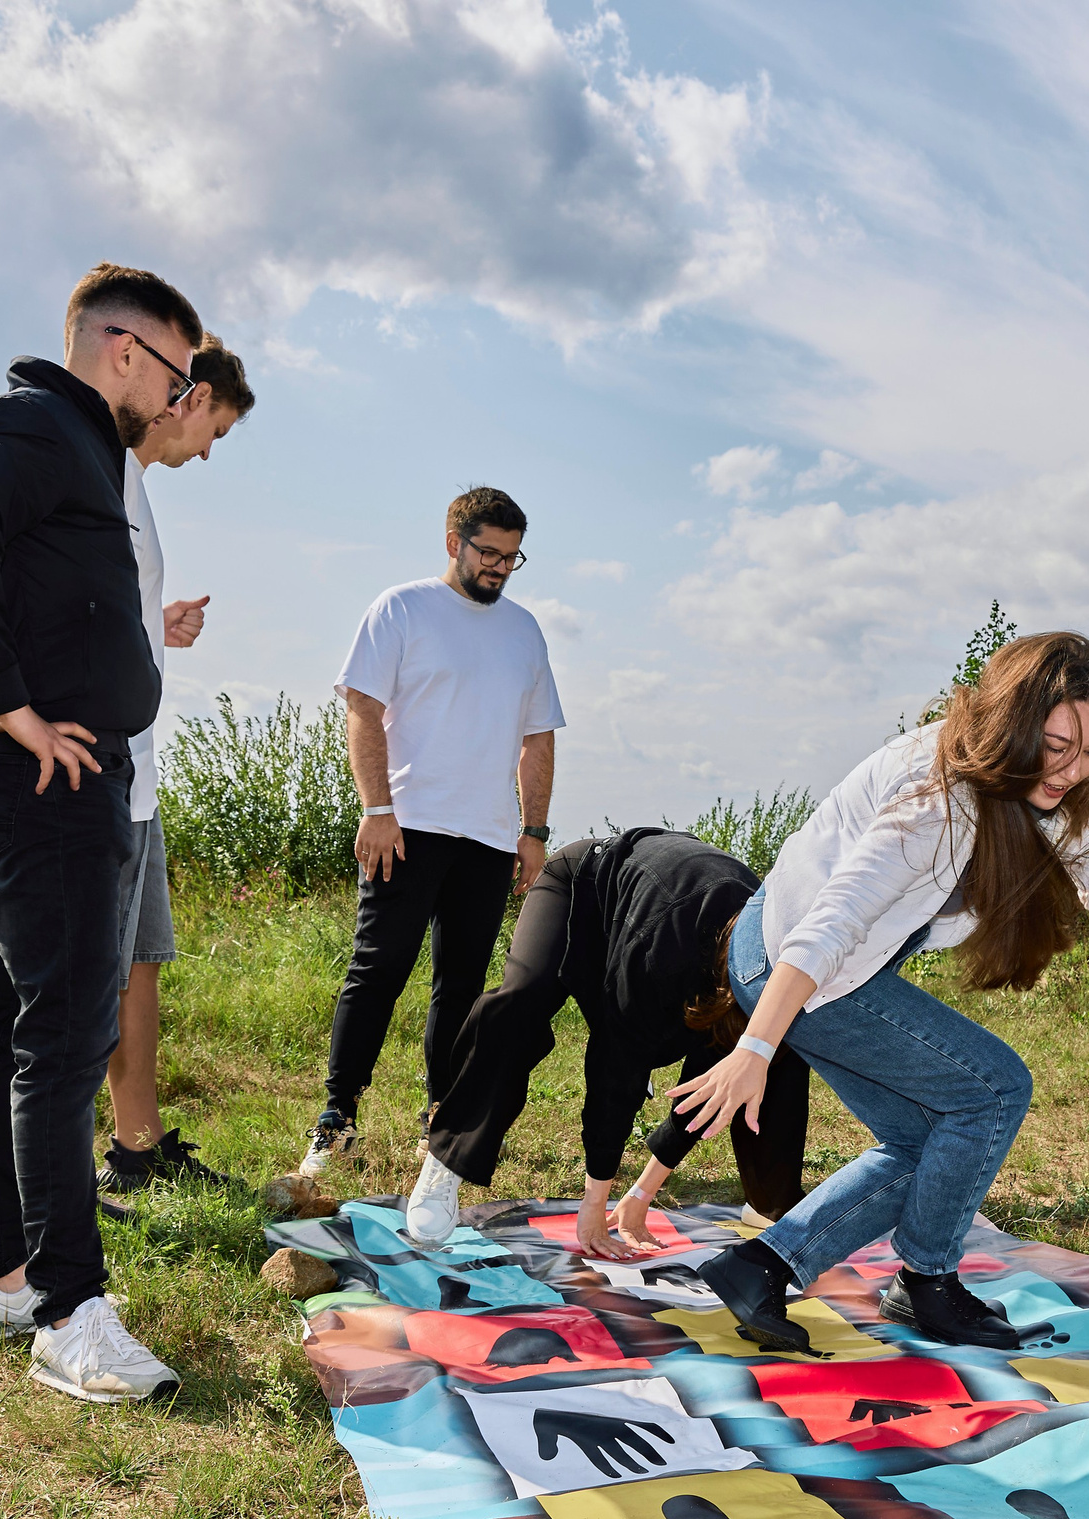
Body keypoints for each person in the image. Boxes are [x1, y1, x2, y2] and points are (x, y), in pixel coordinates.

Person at [672, 633, 1089, 1354]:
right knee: (992, 1090)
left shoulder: (1044, 791)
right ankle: (927, 1280)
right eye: (1057, 746)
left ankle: (762, 1265)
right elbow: (832, 923)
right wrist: (757, 1047)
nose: (1074, 770)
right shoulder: (936, 799)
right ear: (1014, 725)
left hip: (809, 957)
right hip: (796, 959)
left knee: (930, 1137)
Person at [0, 263, 204, 1406]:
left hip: (48, 771)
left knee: (3, 1020)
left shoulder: (78, 445)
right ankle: (70, 1312)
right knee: (68, 1036)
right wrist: (9, 704)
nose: (179, 400)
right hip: (46, 774)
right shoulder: (34, 423)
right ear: (125, 348)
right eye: (178, 376)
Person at [303, 488, 565, 1175]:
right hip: (407, 825)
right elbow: (363, 710)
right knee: (378, 970)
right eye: (489, 553)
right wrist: (376, 809)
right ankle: (337, 1120)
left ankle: (441, 1122)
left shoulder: (524, 631)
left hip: (489, 838)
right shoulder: (402, 608)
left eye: (512, 558)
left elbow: (538, 737)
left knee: (462, 985)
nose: (499, 568)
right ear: (455, 543)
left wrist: (533, 830)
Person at [410, 828, 814, 1255]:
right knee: (520, 1002)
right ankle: (447, 1155)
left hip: (672, 923)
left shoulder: (782, 960)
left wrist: (640, 1194)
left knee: (774, 1056)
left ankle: (771, 1204)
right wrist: (594, 1202)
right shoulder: (663, 951)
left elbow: (706, 1089)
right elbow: (616, 1064)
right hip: (583, 884)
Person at [95, 335, 258, 1205]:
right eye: (215, 431)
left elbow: (99, 615)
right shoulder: (101, 474)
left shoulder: (132, 487)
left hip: (139, 776)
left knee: (141, 962)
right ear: (189, 399)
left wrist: (154, 627)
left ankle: (139, 1147)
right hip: (103, 776)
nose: (206, 452)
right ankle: (55, 1176)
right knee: (93, 975)